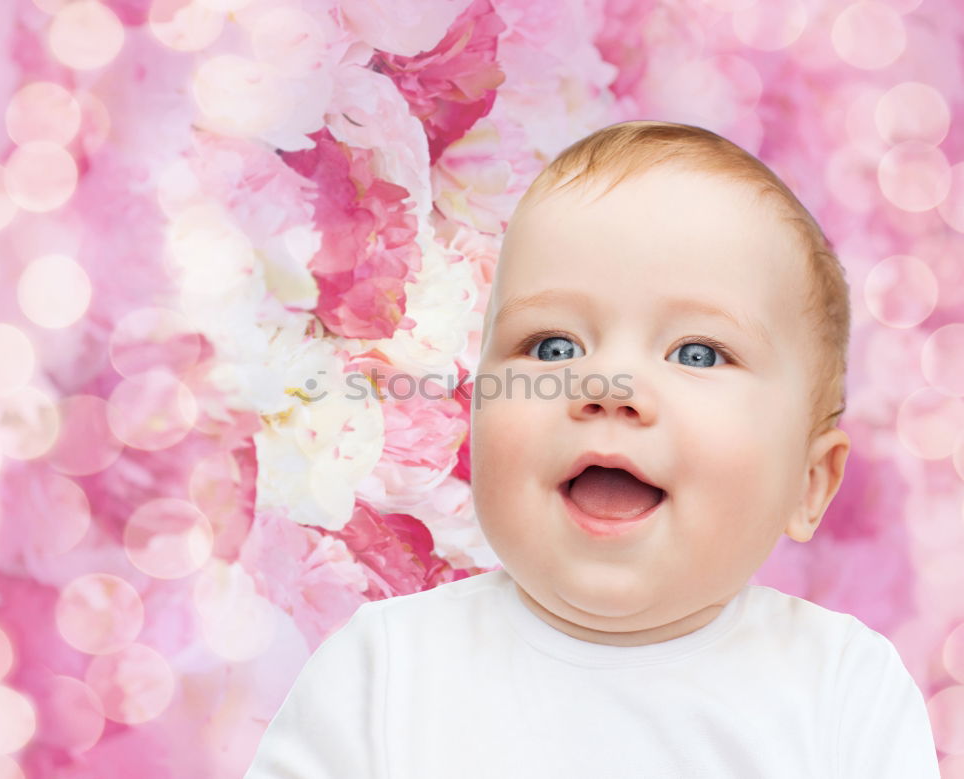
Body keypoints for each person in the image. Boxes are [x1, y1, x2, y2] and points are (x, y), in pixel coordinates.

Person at [243, 120, 941, 777]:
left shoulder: (843, 685)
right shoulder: (386, 667)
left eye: (697, 353)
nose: (611, 388)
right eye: (553, 346)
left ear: (809, 483)